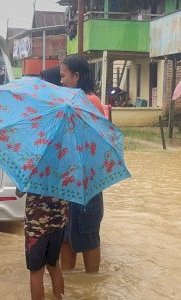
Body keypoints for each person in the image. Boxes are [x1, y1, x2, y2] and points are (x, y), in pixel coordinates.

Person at [58, 55, 106, 273]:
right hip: (70, 180)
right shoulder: (73, 101)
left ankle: (90, 284)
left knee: (87, 234)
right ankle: (73, 286)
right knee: (67, 235)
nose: (61, 81)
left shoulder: (89, 101)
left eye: (63, 76)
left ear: (76, 76)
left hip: (86, 181)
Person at [17, 189, 69, 300]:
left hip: (36, 227)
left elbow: (19, 193)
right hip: (58, 224)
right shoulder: (65, 171)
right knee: (54, 265)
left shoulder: (31, 171)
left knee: (36, 272)